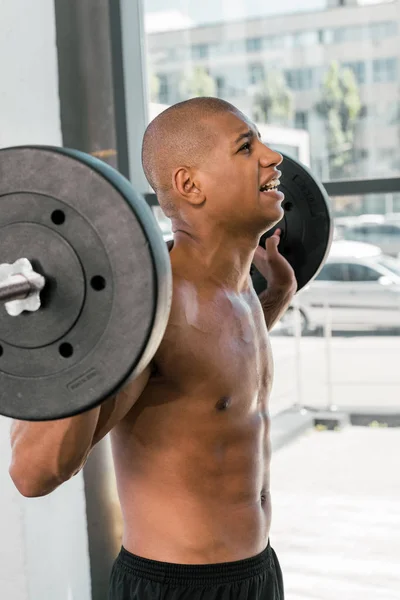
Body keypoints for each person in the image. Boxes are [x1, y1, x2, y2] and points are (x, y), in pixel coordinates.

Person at [9, 97, 297, 599]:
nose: (273, 157)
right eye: (247, 147)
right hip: (177, 587)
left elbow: (212, 381)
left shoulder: (243, 288)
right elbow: (33, 474)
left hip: (257, 573)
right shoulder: (149, 308)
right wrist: (97, 329)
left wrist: (276, 297)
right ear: (190, 185)